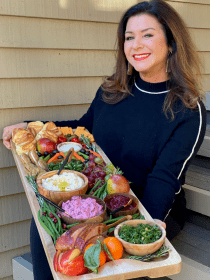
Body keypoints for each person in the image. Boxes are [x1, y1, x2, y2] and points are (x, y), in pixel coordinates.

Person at [3, 0, 206, 279]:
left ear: (171, 42)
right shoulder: (113, 89)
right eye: (129, 37)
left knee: (93, 255)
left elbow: (166, 177)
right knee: (43, 227)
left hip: (142, 205)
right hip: (95, 195)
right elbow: (84, 129)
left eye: (147, 34)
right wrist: (30, 127)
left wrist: (144, 226)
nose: (136, 45)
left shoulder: (187, 109)